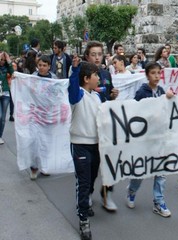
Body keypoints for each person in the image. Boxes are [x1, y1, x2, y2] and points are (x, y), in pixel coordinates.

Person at [126, 62, 174, 217]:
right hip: (145, 139)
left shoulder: (161, 90)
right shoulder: (142, 92)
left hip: (159, 138)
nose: (157, 76)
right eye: (153, 73)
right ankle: (132, 191)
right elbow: (137, 113)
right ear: (147, 75)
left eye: (159, 73)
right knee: (140, 171)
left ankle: (158, 202)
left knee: (161, 171)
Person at [83, 40, 119, 212]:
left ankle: (107, 194)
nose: (97, 58)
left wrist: (113, 95)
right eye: (93, 54)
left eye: (99, 54)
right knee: (92, 164)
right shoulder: (81, 75)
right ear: (87, 56)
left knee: (109, 161)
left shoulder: (106, 74)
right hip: (89, 127)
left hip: (106, 124)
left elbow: (109, 96)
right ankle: (88, 192)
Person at [68, 61, 101, 240]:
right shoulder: (78, 94)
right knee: (84, 181)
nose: (99, 78)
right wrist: (74, 70)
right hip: (80, 144)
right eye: (96, 75)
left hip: (96, 145)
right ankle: (83, 219)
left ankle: (87, 200)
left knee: (93, 177)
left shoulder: (96, 97)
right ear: (87, 79)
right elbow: (72, 91)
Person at [29, 55, 58, 180]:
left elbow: (58, 94)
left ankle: (45, 166)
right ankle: (34, 167)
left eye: (44, 65)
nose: (41, 67)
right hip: (35, 114)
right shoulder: (32, 78)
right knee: (35, 141)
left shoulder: (54, 78)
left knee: (47, 141)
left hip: (49, 114)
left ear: (49, 67)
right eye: (40, 65)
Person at [0, 51, 14, 144]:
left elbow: (13, 72)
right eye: (1, 59)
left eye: (4, 60)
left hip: (5, 93)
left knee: (3, 118)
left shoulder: (7, 68)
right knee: (0, 116)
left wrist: (9, 61)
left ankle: (0, 136)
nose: (2, 61)